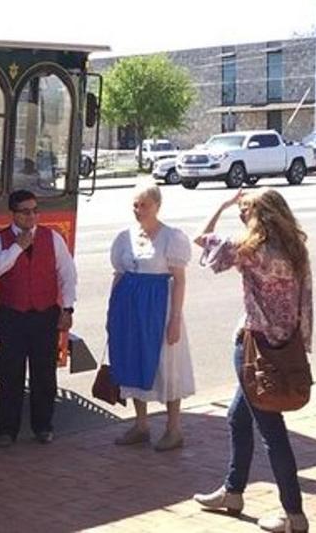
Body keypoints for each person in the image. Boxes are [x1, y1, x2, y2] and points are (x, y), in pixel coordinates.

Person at [192, 188, 313, 533]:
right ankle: (233, 491)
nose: (242, 216)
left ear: (262, 215)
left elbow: (202, 239)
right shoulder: (294, 249)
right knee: (237, 416)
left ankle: (294, 513)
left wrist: (222, 203)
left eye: (246, 211)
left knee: (271, 430)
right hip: (284, 342)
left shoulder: (251, 249)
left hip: (255, 346)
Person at [0, 189, 77, 447]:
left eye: (35, 211)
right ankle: (7, 430)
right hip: (13, 315)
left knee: (44, 373)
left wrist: (67, 309)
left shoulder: (52, 238)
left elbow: (67, 274)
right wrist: (16, 248)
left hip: (44, 314)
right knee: (11, 373)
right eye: (26, 212)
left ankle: (43, 426)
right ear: (13, 214)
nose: (32, 216)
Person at [107, 181, 194, 452]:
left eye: (144, 204)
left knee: (166, 364)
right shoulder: (125, 237)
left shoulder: (172, 238)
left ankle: (174, 428)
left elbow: (179, 280)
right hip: (130, 308)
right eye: (136, 204)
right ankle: (141, 424)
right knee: (132, 359)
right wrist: (112, 311)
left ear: (157, 205)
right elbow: (119, 274)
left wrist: (175, 319)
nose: (139, 209)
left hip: (159, 307)